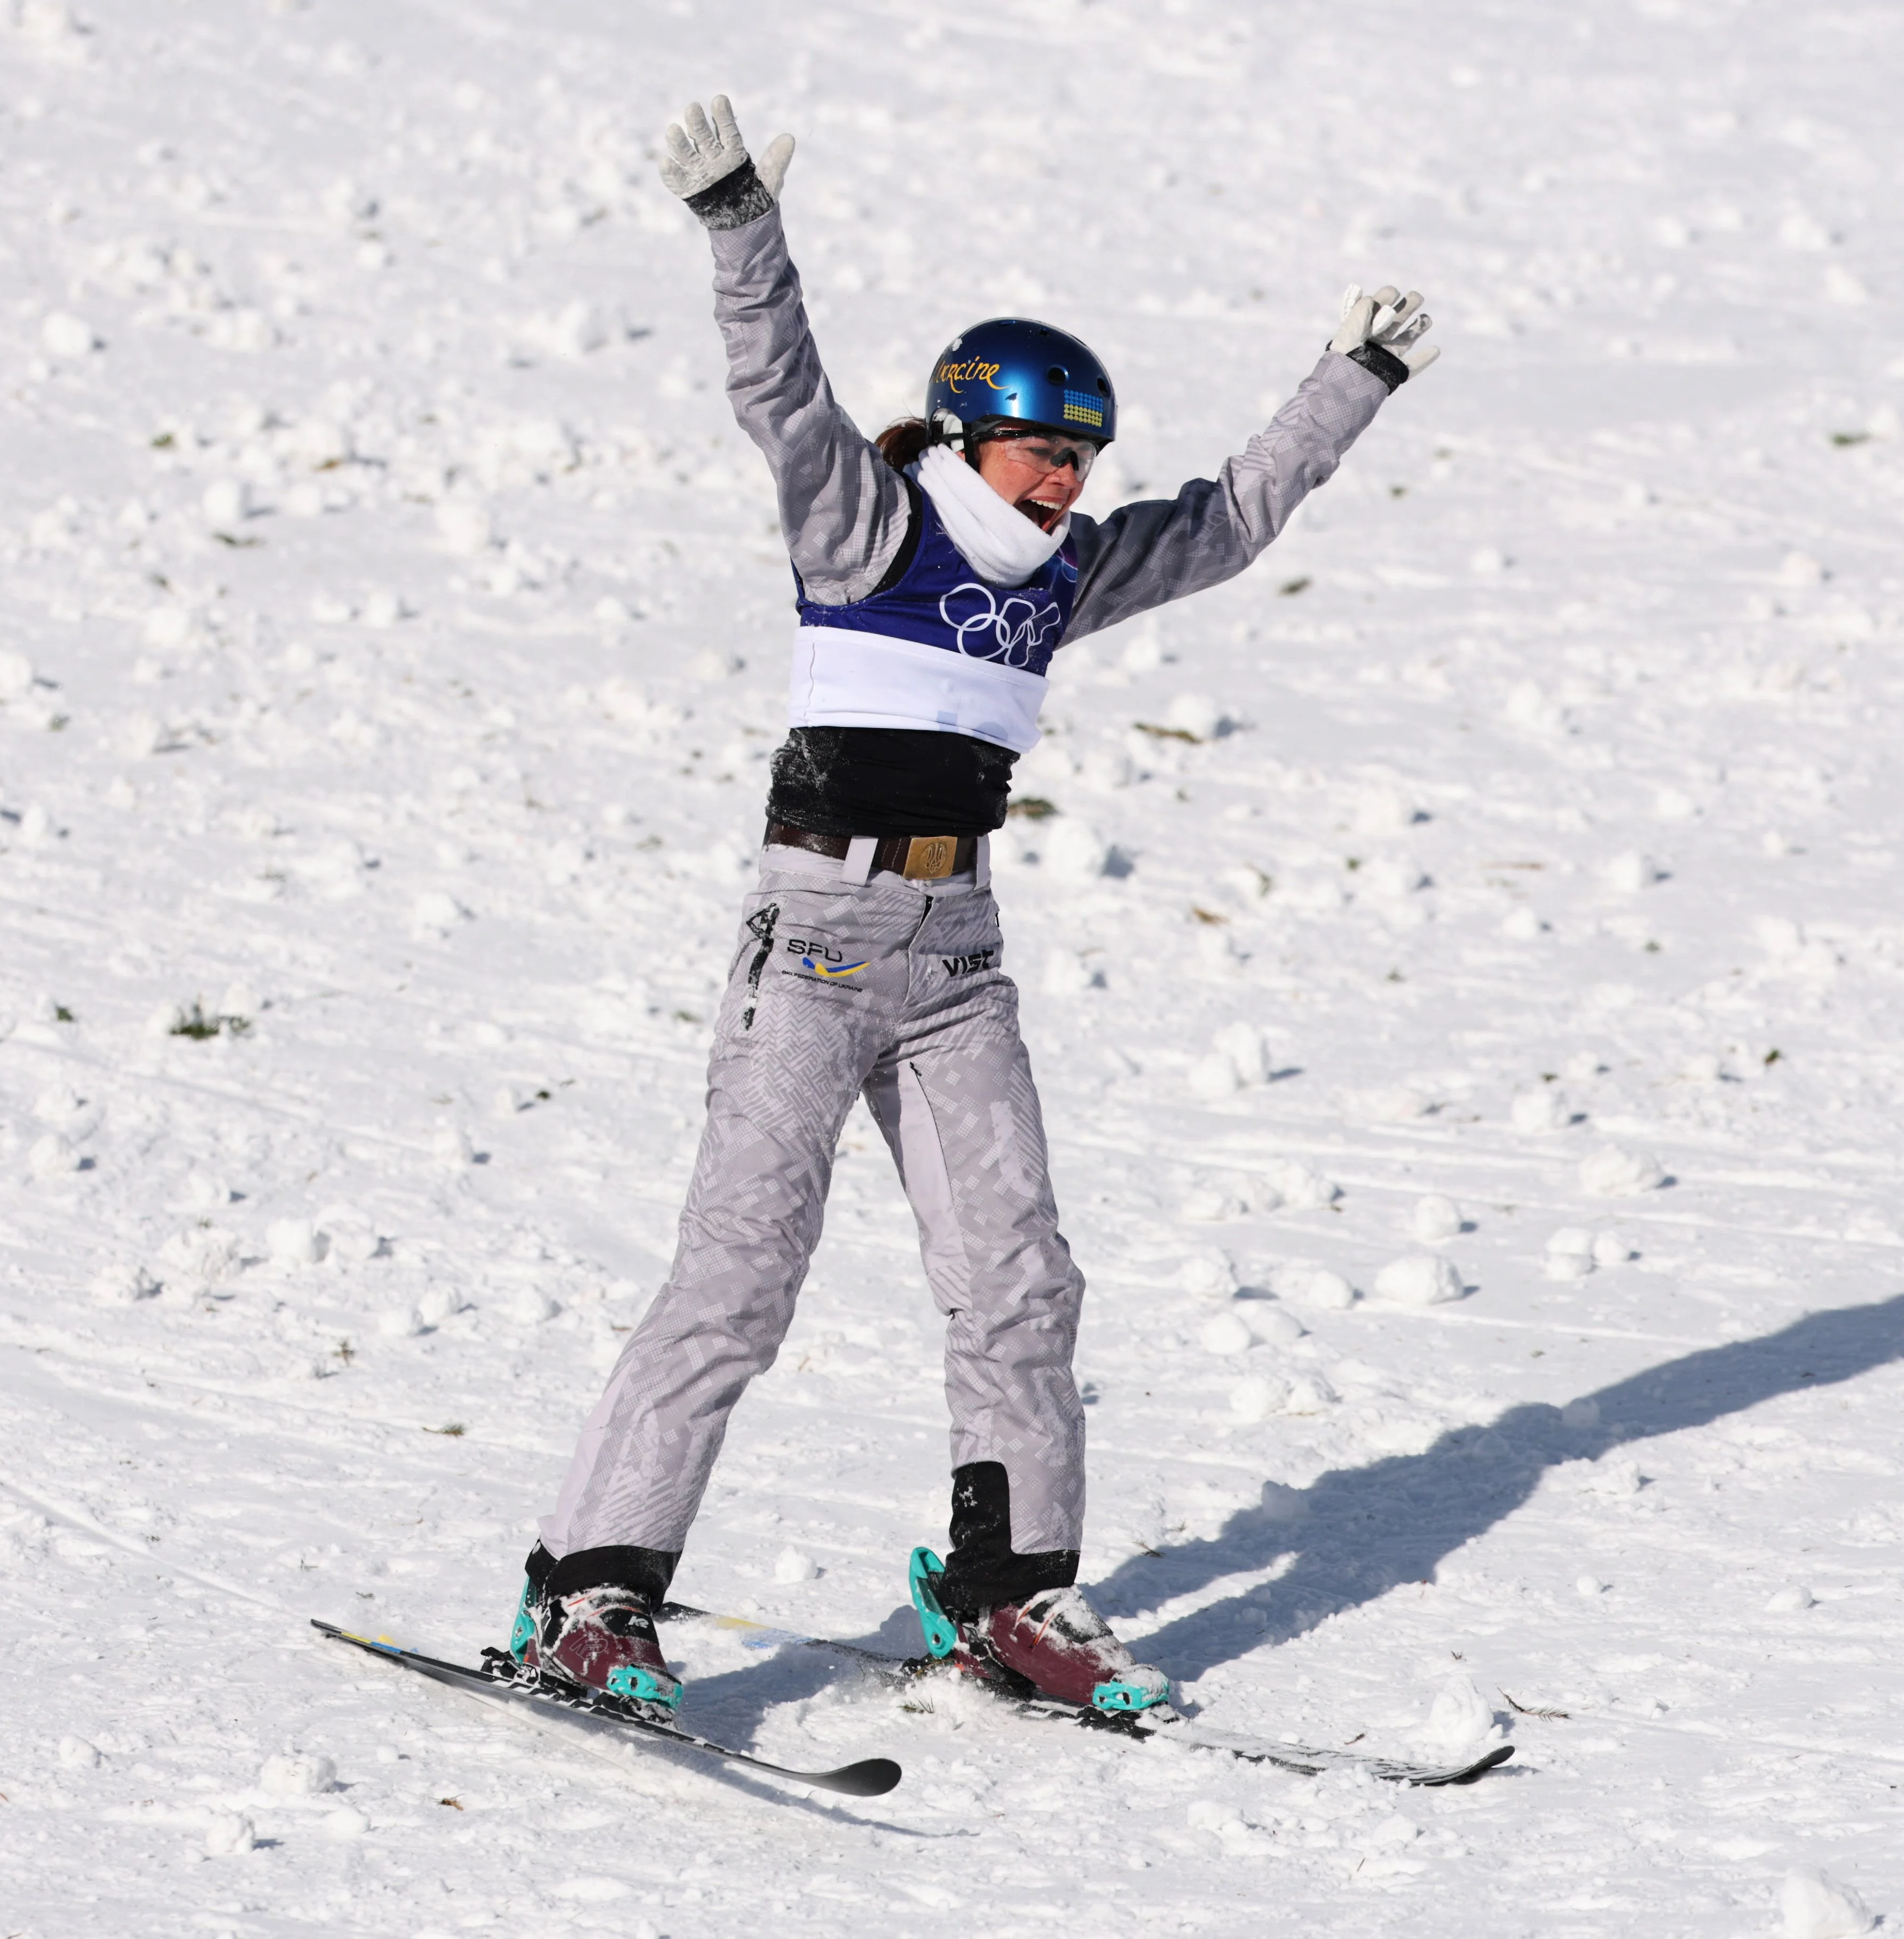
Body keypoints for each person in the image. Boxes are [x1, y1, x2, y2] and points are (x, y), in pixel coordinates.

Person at [508, 94, 1439, 1720]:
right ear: (966, 434)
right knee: (738, 1280)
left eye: (1082, 454)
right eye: (1040, 449)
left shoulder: (1064, 575)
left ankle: (1007, 1596)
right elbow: (779, 390)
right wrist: (741, 225)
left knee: (1020, 1277)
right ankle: (589, 1596)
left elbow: (1228, 521)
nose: (1066, 478)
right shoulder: (868, 525)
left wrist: (1350, 380)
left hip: (955, 960)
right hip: (813, 941)